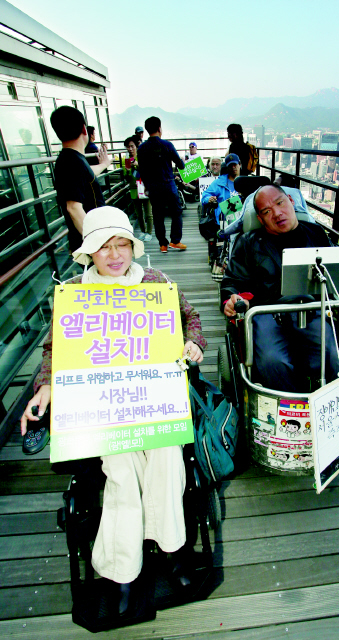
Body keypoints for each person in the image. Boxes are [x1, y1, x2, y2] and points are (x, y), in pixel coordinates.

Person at [20, 207, 206, 615]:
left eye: (123, 244)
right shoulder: (73, 292)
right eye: (105, 247)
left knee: (166, 459)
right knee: (121, 470)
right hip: (104, 408)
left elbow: (190, 318)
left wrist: (192, 344)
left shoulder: (155, 281)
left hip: (153, 398)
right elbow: (55, 349)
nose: (116, 255)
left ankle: (168, 551)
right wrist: (45, 386)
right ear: (89, 253)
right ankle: (129, 569)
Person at [221, 184, 339, 393]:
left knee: (330, 354)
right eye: (266, 211)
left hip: (311, 309)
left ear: (291, 202)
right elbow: (232, 282)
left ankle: (327, 404)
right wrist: (231, 299)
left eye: (280, 203)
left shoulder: (316, 235)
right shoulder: (248, 243)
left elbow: (335, 275)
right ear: (260, 218)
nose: (277, 213)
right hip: (266, 313)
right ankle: (286, 407)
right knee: (271, 361)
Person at [50, 106, 110, 253]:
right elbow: (73, 208)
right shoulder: (71, 162)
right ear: (84, 129)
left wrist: (103, 164)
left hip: (89, 239)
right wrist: (100, 244)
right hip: (90, 244)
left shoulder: (72, 159)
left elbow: (86, 174)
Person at [137, 116, 186, 253]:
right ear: (159, 128)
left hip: (153, 187)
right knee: (176, 212)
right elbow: (181, 166)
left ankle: (163, 244)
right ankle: (175, 241)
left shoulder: (142, 149)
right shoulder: (167, 145)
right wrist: (181, 160)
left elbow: (142, 170)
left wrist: (147, 185)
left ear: (147, 130)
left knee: (158, 215)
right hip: (168, 184)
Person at [123, 136, 153, 242]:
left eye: (132, 146)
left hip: (144, 188)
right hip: (134, 189)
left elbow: (148, 171)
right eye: (128, 147)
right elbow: (126, 178)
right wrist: (127, 170)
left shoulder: (143, 157)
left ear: (136, 146)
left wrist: (138, 165)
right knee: (139, 214)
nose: (130, 149)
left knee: (148, 212)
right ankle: (143, 231)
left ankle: (149, 232)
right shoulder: (126, 160)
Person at [201, 153, 241, 222]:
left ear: (239, 165)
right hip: (225, 218)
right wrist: (209, 199)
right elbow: (204, 196)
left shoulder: (246, 182)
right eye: (230, 165)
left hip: (243, 215)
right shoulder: (219, 182)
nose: (233, 167)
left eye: (235, 164)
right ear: (227, 167)